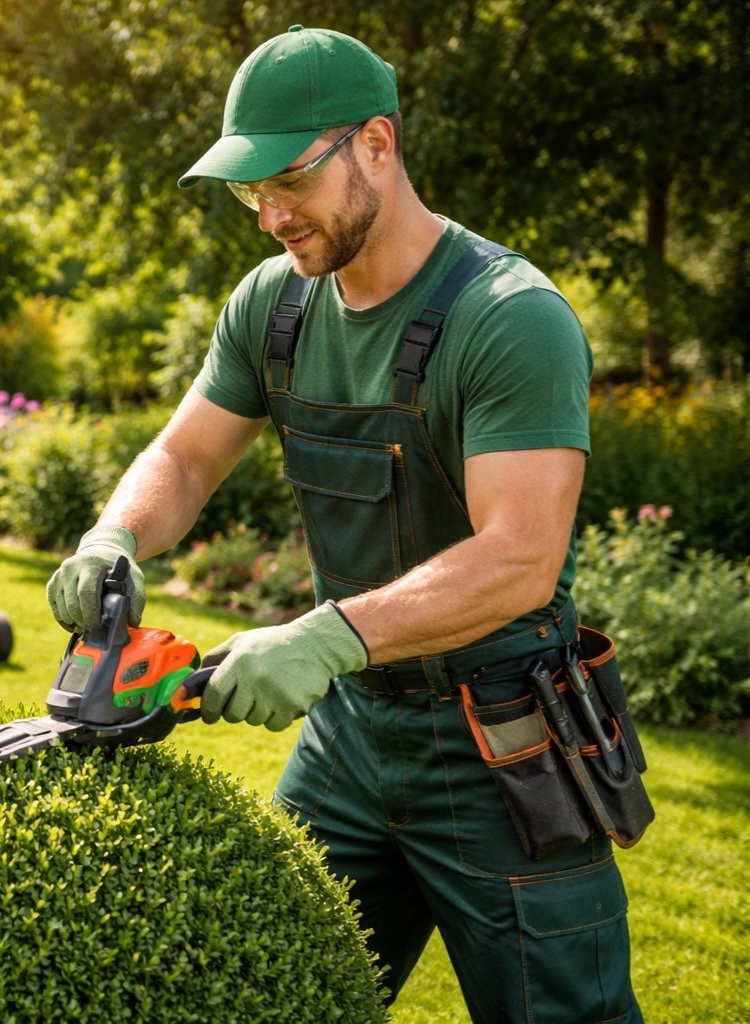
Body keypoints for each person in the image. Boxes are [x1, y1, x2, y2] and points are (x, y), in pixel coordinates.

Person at [46, 25, 641, 1023]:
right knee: (259, 993)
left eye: (291, 179)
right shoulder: (274, 308)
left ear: (376, 143)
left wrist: (330, 634)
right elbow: (186, 458)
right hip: (352, 738)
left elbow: (521, 557)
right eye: (251, 190)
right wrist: (112, 537)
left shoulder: (507, 316)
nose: (272, 214)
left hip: (501, 741)